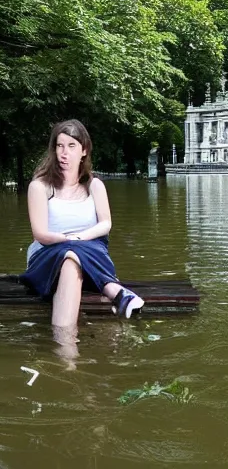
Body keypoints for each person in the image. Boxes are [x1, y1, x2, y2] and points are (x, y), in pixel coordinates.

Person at [23, 119, 144, 341]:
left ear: (84, 150)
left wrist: (78, 239)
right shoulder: (39, 186)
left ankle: (65, 350)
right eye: (59, 146)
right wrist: (69, 242)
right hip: (47, 257)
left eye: (71, 146)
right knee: (70, 256)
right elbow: (40, 234)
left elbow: (105, 224)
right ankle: (115, 292)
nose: (64, 153)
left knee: (73, 259)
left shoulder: (95, 186)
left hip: (92, 256)